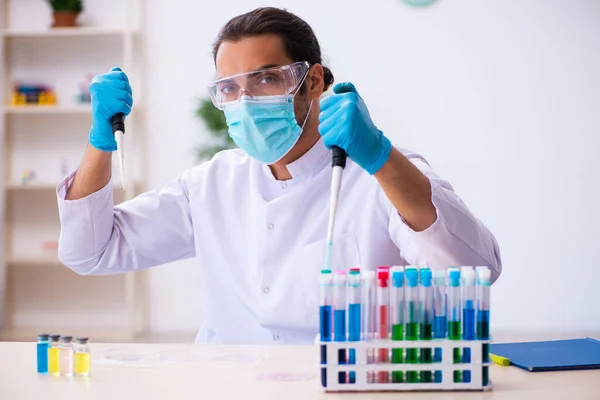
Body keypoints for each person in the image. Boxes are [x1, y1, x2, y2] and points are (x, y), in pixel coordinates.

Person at [57, 7, 501, 345]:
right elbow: (90, 252)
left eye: (266, 79)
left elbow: (472, 270)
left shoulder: (380, 174)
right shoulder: (212, 184)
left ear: (313, 82)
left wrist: (381, 157)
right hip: (229, 384)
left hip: (344, 385)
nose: (245, 101)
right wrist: (100, 142)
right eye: (229, 87)